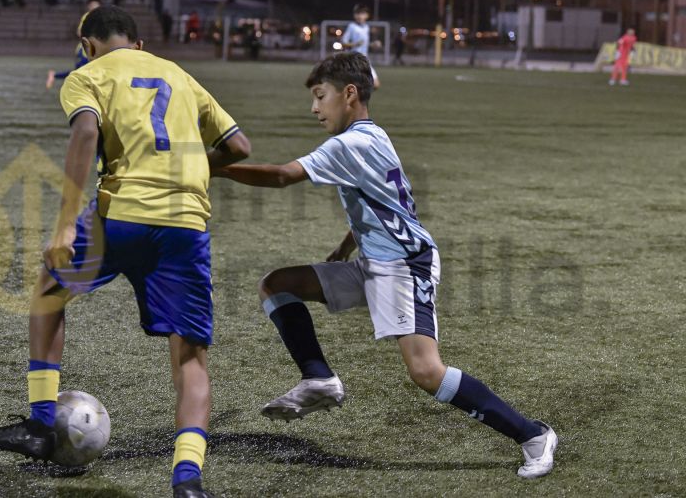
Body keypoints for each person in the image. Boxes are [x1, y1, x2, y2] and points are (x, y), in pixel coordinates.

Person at [212, 52, 558, 480]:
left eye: (321, 97)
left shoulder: (351, 143)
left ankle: (533, 435)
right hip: (376, 261)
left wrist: (219, 170)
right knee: (276, 284)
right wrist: (346, 245)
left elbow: (284, 175)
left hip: (405, 265)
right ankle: (318, 378)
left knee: (426, 371)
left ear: (349, 94)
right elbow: (387, 204)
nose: (314, 109)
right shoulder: (373, 135)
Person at [0, 6, 252, 498]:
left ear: (88, 45)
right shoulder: (180, 75)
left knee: (48, 290)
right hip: (185, 226)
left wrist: (64, 225)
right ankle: (187, 479)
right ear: (139, 44)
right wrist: (192, 166)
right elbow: (239, 146)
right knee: (190, 358)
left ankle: (43, 424)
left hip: (120, 216)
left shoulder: (87, 75)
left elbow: (85, 133)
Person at [46, 0, 100, 89]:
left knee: (84, 72)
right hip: (85, 49)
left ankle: (54, 75)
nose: (94, 7)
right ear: (89, 7)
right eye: (92, 5)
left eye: (96, 5)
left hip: (94, 49)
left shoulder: (100, 18)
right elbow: (79, 33)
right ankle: (55, 76)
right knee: (80, 72)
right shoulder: (87, 16)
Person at [341, 4, 380, 90]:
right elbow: (343, 42)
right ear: (354, 15)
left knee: (376, 85)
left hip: (365, 60)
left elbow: (365, 44)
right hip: (355, 60)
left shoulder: (366, 27)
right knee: (354, 86)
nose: (359, 16)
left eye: (362, 13)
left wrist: (373, 44)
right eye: (357, 14)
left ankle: (358, 96)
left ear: (367, 15)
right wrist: (355, 44)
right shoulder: (352, 26)